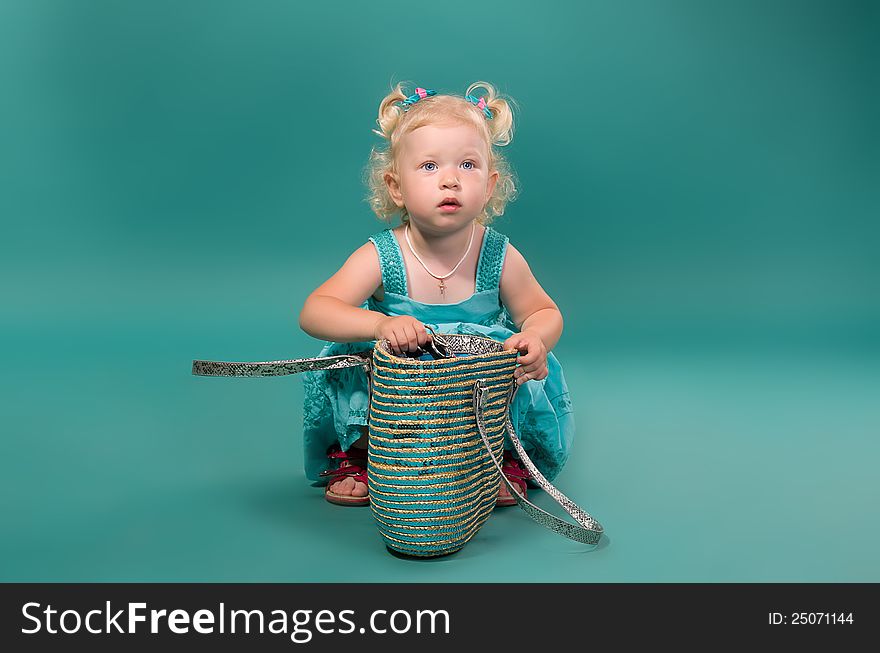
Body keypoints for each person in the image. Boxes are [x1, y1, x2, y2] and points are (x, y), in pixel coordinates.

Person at [298, 82, 574, 507]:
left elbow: (542, 309)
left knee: (509, 375)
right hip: (399, 384)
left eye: (468, 165)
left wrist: (536, 337)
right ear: (395, 186)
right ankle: (362, 453)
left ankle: (495, 458)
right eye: (429, 167)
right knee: (361, 369)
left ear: (490, 183)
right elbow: (315, 310)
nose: (450, 180)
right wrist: (380, 324)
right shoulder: (383, 254)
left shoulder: (497, 254)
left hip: (474, 384)